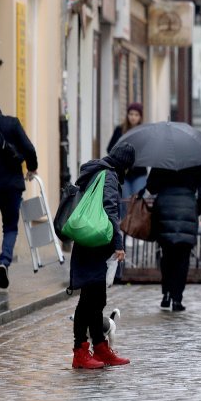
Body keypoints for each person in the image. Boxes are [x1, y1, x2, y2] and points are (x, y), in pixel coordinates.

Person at [69, 142, 135, 369]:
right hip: (94, 245)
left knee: (96, 299)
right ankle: (80, 352)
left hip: (90, 243)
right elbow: (110, 210)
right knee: (88, 300)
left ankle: (100, 347)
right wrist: (118, 244)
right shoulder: (107, 176)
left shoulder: (98, 172)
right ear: (125, 164)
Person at [0, 91, 38, 291]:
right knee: (11, 228)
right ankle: (4, 261)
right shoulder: (11, 123)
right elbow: (29, 149)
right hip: (12, 187)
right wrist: (32, 168)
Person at [146, 164, 201, 312]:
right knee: (183, 257)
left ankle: (166, 294)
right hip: (187, 208)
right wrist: (196, 209)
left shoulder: (162, 159)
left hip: (164, 208)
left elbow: (151, 186)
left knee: (166, 254)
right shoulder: (198, 161)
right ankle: (177, 299)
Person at [107, 102, 148, 204]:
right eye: (131, 114)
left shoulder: (144, 131)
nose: (133, 117)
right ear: (127, 115)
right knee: (125, 203)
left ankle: (137, 221)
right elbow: (110, 149)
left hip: (139, 173)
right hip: (123, 174)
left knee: (138, 202)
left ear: (140, 117)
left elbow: (147, 151)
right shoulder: (120, 130)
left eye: (136, 115)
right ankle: (125, 221)